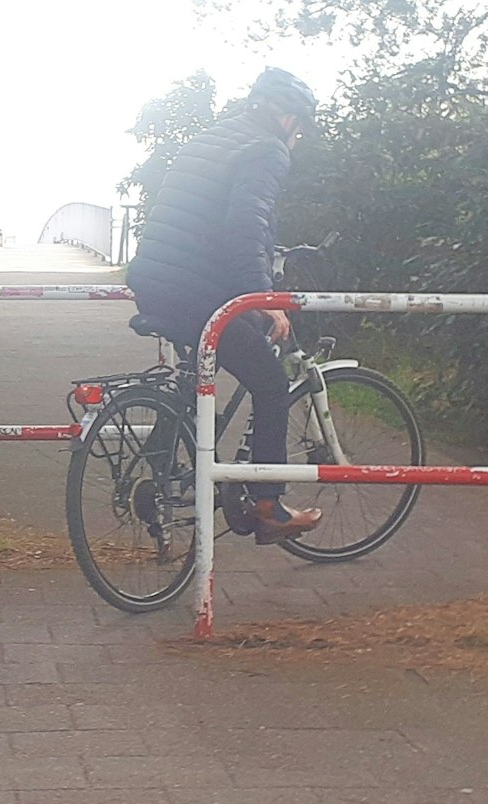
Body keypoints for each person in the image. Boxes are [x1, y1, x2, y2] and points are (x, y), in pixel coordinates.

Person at [125, 67, 322, 544]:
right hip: (195, 292)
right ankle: (268, 506)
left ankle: (163, 465)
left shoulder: (210, 139)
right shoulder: (266, 148)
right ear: (286, 116)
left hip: (154, 280)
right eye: (299, 126)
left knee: (199, 381)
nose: (297, 135)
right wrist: (264, 298)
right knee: (272, 383)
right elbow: (246, 225)